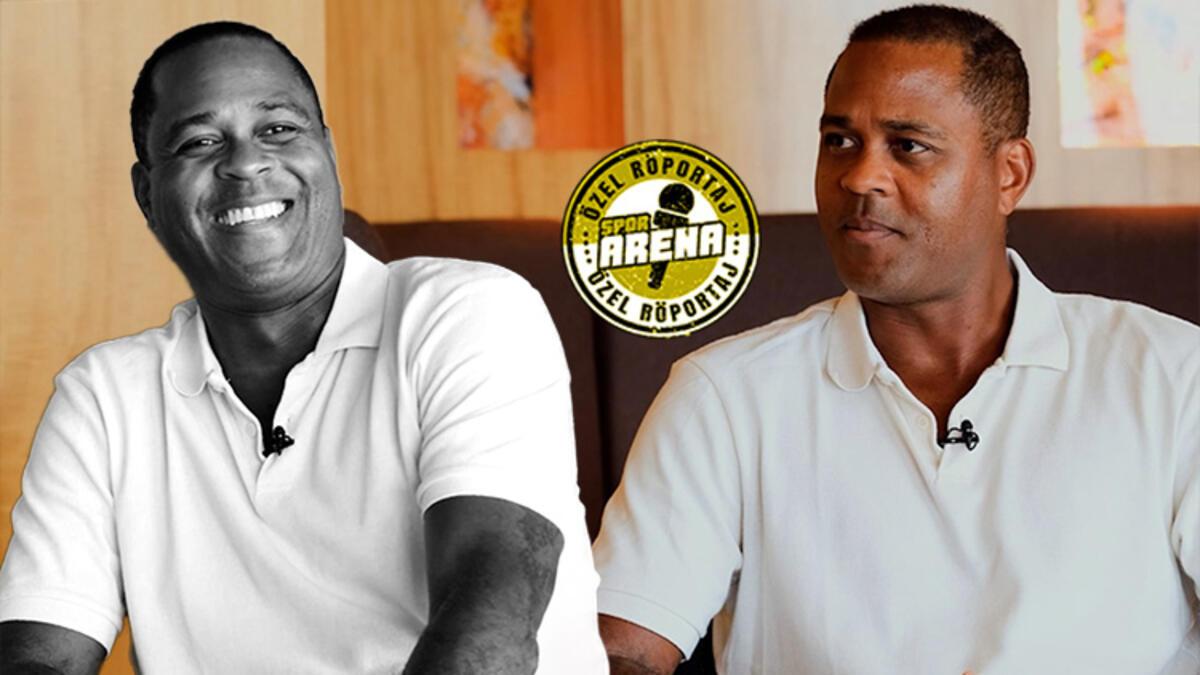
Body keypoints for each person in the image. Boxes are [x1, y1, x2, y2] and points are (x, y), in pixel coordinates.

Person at [592, 5, 1200, 674]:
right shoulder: (724, 398)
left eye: (907, 145)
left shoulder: (1173, 377)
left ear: (1010, 174)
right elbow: (623, 650)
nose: (859, 176)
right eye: (839, 140)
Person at [0, 21, 607, 674]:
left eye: (279, 128)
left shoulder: (470, 312)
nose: (246, 162)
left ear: (328, 153)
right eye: (200, 141)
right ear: (148, 194)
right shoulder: (102, 397)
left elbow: (490, 631)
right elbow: (40, 657)